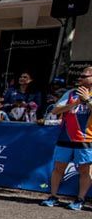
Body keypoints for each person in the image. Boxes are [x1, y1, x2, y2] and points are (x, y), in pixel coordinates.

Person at [39, 66, 92, 211]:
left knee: (84, 170)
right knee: (58, 168)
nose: (80, 78)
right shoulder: (71, 93)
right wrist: (74, 104)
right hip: (65, 136)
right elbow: (55, 110)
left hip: (86, 138)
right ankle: (53, 196)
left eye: (84, 76)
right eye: (79, 76)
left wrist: (87, 100)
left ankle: (80, 200)